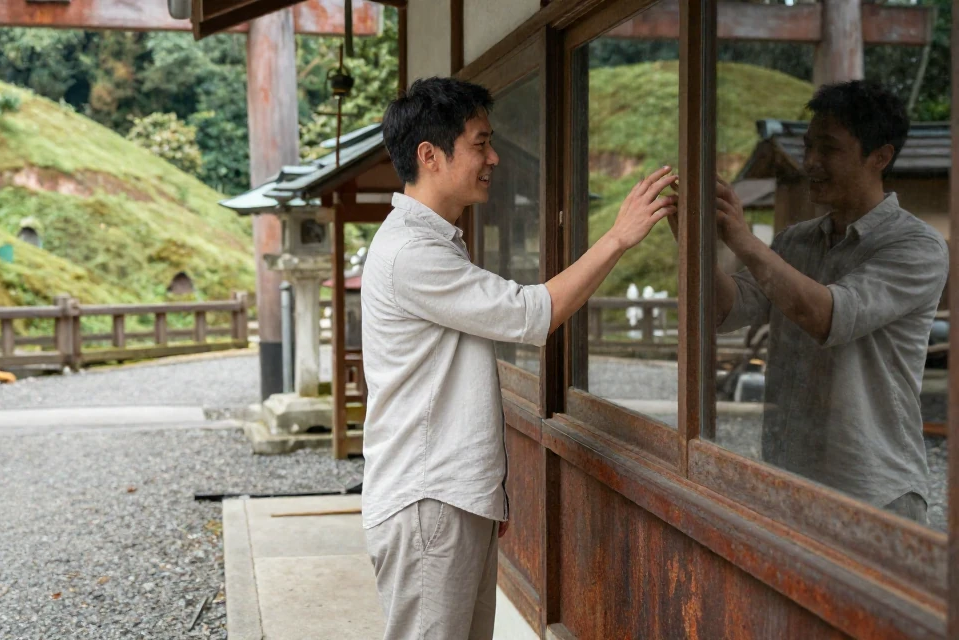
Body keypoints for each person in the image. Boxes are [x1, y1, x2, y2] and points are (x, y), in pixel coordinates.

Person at [361, 76, 676, 639]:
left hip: (445, 495)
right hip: (429, 497)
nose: (494, 158)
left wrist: (485, 495)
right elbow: (527, 314)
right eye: (480, 144)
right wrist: (617, 239)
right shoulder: (411, 252)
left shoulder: (429, 241)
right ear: (429, 156)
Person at [685, 80, 946, 525]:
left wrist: (745, 241)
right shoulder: (795, 242)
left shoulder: (917, 247)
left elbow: (827, 316)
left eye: (828, 149)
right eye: (808, 147)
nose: (810, 163)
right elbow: (724, 310)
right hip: (789, 481)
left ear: (880, 157)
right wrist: (692, 236)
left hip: (874, 492)